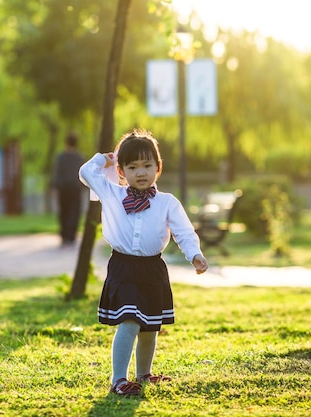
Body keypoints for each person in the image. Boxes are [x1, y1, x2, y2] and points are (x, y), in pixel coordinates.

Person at [78, 128, 209, 396]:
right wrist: (104, 159)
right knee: (129, 320)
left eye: (147, 165)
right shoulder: (112, 193)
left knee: (149, 326)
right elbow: (85, 173)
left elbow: (183, 231)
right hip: (123, 267)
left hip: (153, 269)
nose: (141, 172)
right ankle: (118, 380)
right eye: (133, 166)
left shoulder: (167, 203)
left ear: (158, 168)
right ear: (122, 171)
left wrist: (194, 254)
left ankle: (144, 374)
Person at [51, 132, 85, 247]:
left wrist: (55, 188)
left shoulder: (61, 157)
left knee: (64, 212)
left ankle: (64, 235)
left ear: (66, 143)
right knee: (75, 212)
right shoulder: (80, 158)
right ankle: (71, 236)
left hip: (63, 188)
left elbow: (57, 173)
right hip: (76, 188)